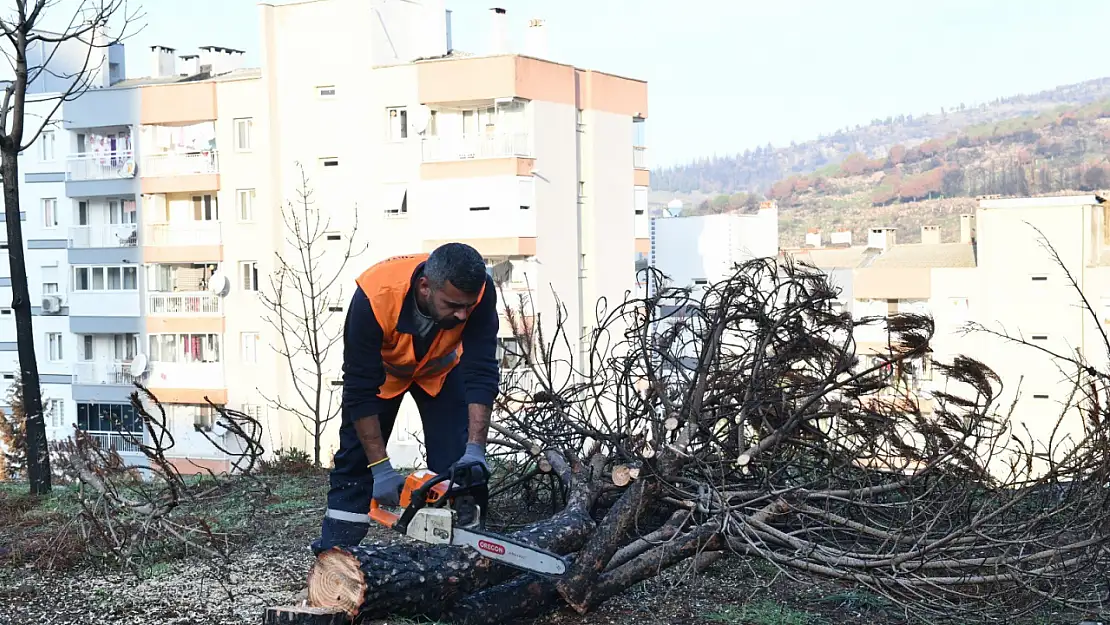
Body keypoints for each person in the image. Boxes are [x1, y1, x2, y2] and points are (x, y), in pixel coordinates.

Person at [311, 242, 500, 554]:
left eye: (468, 306)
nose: (463, 313)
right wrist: (381, 468)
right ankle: (336, 557)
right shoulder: (374, 296)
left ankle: (463, 559)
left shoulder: (478, 291)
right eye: (453, 305)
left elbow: (481, 369)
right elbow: (358, 389)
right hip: (384, 377)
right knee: (355, 465)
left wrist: (475, 448)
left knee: (460, 469)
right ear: (425, 287)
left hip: (441, 372)